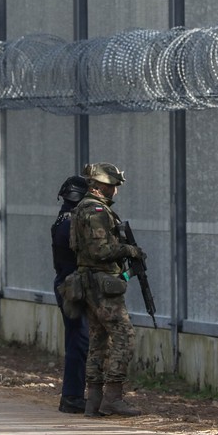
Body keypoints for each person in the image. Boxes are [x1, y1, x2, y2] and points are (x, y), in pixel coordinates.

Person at [70, 162, 144, 417]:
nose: (116, 191)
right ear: (101, 186)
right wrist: (129, 250)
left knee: (98, 340)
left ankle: (94, 400)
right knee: (124, 336)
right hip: (102, 284)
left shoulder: (82, 208)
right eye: (113, 186)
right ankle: (113, 397)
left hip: (89, 282)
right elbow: (101, 250)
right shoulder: (97, 211)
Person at [51, 175, 91, 413]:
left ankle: (75, 395)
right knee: (79, 340)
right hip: (72, 286)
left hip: (67, 283)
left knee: (78, 339)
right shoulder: (71, 223)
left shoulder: (63, 219)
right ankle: (73, 396)